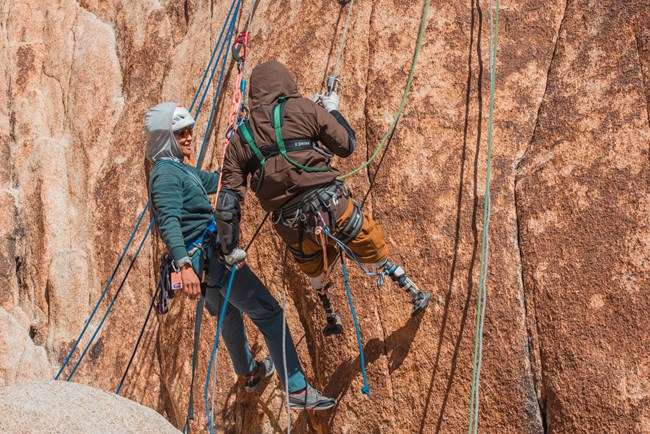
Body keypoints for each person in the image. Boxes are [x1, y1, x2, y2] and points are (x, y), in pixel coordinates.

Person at [214, 61, 432, 336]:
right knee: (370, 243)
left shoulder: (241, 138)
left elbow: (227, 201)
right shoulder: (304, 108)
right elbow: (346, 144)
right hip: (332, 206)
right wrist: (330, 109)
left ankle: (331, 316)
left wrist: (230, 248)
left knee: (315, 270)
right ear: (286, 83)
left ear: (254, 94)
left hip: (293, 228)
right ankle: (411, 290)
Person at [145, 102, 336, 410]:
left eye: (190, 131)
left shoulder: (178, 169)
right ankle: (297, 389)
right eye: (181, 134)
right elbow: (167, 221)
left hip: (204, 261)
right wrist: (183, 265)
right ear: (165, 138)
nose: (189, 138)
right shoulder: (165, 175)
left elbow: (216, 181)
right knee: (269, 313)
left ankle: (249, 373)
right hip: (208, 259)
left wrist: (240, 148)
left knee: (228, 315)